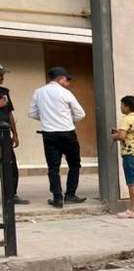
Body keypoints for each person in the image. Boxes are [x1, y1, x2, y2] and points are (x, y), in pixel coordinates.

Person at [28, 66, 87, 208]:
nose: (68, 83)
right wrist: (67, 119)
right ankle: (70, 195)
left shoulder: (38, 92)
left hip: (49, 135)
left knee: (53, 167)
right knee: (74, 164)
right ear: (60, 79)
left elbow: (32, 113)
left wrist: (47, 118)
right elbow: (81, 113)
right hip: (67, 133)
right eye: (67, 80)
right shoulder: (66, 93)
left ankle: (57, 198)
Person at [0, 64, 29, 204]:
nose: (2, 77)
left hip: (4, 135)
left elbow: (9, 114)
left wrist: (15, 134)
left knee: (11, 166)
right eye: (0, 74)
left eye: (2, 75)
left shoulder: (4, 92)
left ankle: (12, 195)